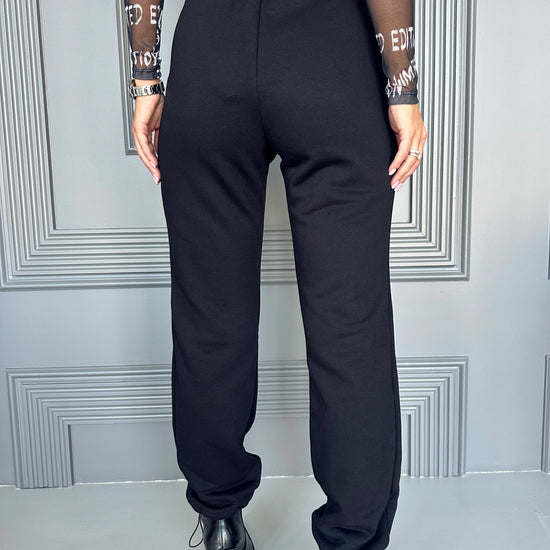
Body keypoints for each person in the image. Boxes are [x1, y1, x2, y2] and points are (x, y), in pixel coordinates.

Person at [124, 1, 427, 549]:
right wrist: (402, 89)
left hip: (211, 59)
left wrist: (145, 81)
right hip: (331, 59)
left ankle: (220, 520)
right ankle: (353, 538)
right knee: (348, 327)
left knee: (210, 315)